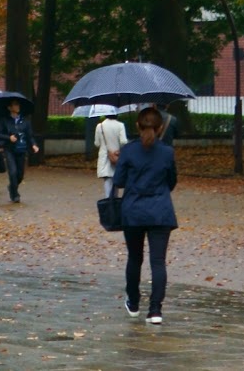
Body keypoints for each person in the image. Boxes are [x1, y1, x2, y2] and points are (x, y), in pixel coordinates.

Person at [111, 105, 177, 325]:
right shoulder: (167, 151)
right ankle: (155, 310)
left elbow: (119, 181)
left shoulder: (128, 151)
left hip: (134, 211)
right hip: (160, 211)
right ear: (159, 128)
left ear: (138, 126)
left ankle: (133, 301)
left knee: (135, 258)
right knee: (158, 261)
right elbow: (172, 182)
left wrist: (117, 162)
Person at [0, 99, 40, 203]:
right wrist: (8, 138)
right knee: (13, 172)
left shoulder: (25, 121)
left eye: (18, 104)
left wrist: (34, 145)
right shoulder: (4, 120)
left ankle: (12, 187)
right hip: (9, 149)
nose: (18, 106)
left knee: (20, 175)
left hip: (21, 150)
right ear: (9, 108)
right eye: (15, 104)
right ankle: (15, 195)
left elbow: (30, 135)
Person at [95, 107, 129, 197]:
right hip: (117, 156)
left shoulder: (100, 126)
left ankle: (108, 201)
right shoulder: (120, 125)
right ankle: (115, 200)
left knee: (107, 180)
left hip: (105, 157)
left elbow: (97, 143)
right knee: (116, 179)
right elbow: (124, 142)